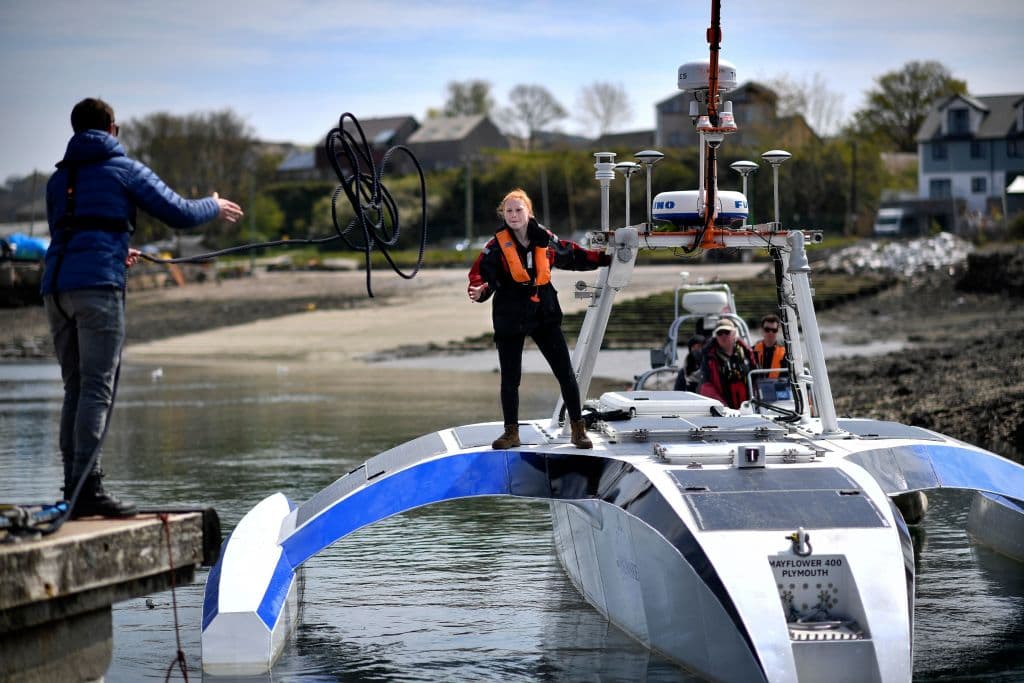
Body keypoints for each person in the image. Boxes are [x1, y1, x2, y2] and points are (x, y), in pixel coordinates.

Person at [42, 97, 244, 518]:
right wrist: (214, 204)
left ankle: (72, 487)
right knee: (96, 388)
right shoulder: (123, 169)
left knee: (75, 388)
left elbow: (72, 231)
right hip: (97, 288)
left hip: (56, 289)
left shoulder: (58, 180)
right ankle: (88, 490)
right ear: (111, 128)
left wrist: (118, 248)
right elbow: (179, 213)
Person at [467, 188, 609, 450]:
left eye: (518, 210)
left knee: (565, 373)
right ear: (503, 214)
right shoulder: (494, 247)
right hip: (510, 316)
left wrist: (604, 258)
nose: (513, 215)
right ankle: (511, 433)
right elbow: (480, 276)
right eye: (509, 211)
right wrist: (478, 291)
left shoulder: (545, 239)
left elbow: (571, 254)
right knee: (510, 379)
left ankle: (578, 430)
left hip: (544, 313)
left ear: (529, 212)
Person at [698, 317, 754, 409]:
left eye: (727, 332)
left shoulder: (747, 353)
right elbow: (706, 387)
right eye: (719, 333)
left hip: (749, 408)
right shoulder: (708, 358)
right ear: (716, 336)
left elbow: (756, 379)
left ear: (734, 334)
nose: (723, 336)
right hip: (724, 410)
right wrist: (723, 408)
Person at [752, 314, 786, 379]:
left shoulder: (786, 354)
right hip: (757, 385)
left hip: (778, 384)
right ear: (762, 330)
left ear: (778, 331)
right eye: (767, 329)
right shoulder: (752, 351)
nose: (770, 333)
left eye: (774, 330)